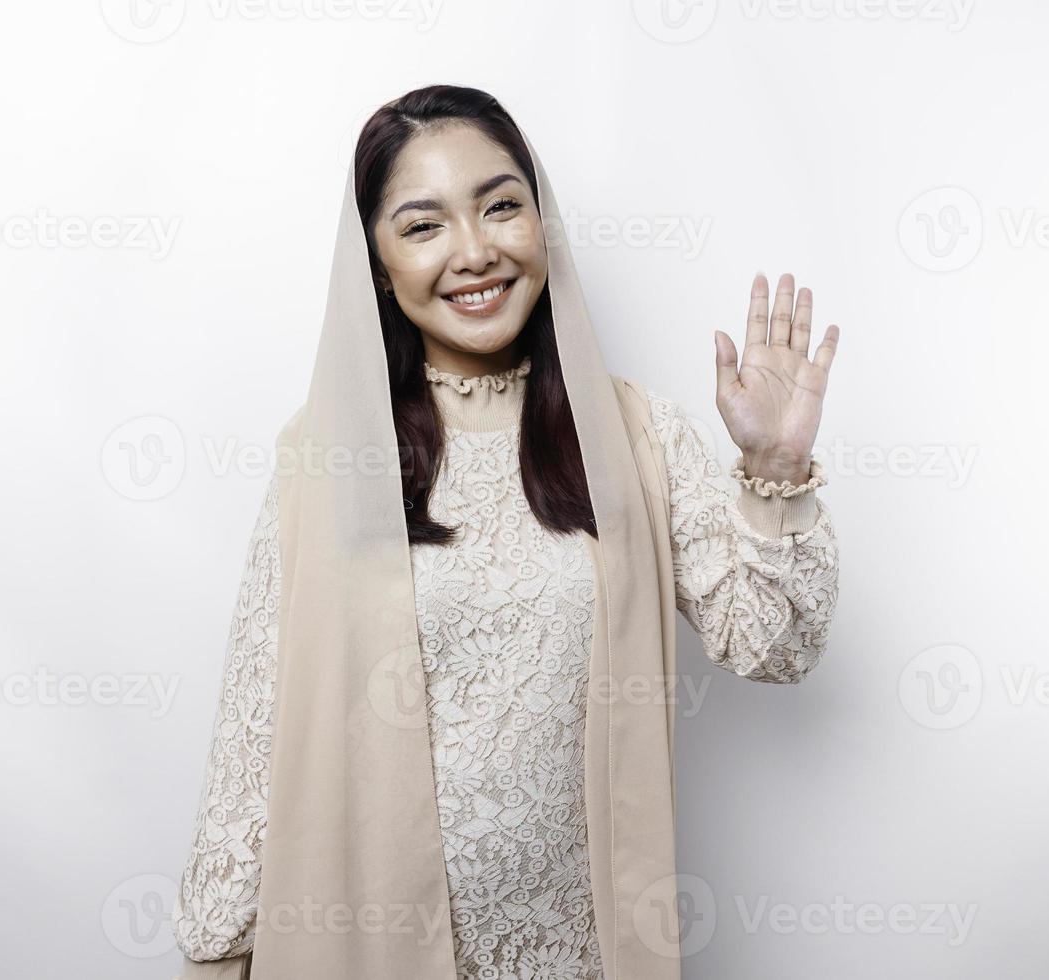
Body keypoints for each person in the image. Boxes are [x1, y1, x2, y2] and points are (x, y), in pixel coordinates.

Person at [173, 84, 842, 980]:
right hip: (365, 945)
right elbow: (255, 736)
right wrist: (218, 951)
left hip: (579, 950)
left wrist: (777, 468)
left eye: (500, 206)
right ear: (374, 262)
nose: (476, 251)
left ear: (542, 221)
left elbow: (774, 645)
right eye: (423, 226)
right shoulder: (324, 455)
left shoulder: (632, 434)